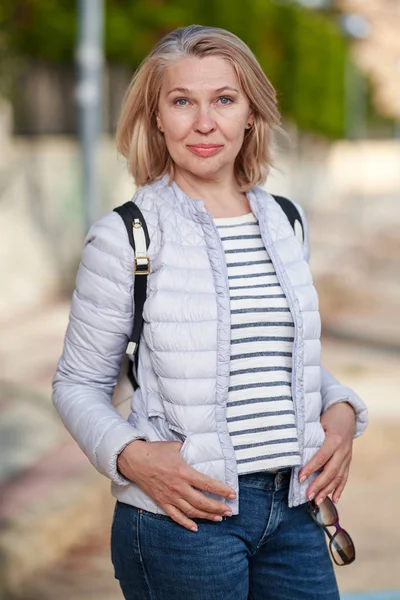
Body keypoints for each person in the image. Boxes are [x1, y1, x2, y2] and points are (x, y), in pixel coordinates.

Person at [53, 24, 368, 600]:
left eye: (224, 99)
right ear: (156, 117)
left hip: (297, 514)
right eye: (182, 102)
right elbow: (76, 383)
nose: (204, 123)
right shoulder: (126, 235)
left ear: (251, 112)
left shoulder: (285, 220)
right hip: (185, 526)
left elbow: (277, 357)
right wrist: (133, 457)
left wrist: (342, 408)